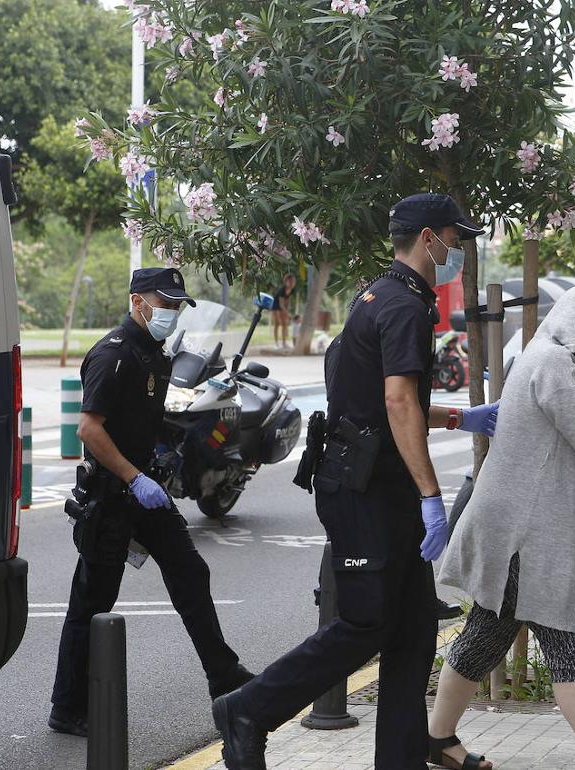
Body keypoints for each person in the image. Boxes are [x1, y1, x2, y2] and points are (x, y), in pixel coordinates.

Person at [212, 194, 498, 770]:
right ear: (428, 239)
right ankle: (249, 709)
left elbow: (389, 399)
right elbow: (395, 401)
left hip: (376, 483)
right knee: (366, 623)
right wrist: (431, 496)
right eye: (455, 238)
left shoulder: (383, 296)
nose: (459, 250)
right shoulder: (403, 309)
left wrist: (460, 417)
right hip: (363, 489)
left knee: (413, 635)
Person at [430, 282, 575, 770]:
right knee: (567, 637)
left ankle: (435, 739)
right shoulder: (554, 363)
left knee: (482, 639)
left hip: (517, 531)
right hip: (528, 537)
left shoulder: (541, 355)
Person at [50, 267, 253, 736]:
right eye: (164, 304)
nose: (171, 312)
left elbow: (147, 419)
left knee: (190, 573)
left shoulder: (154, 356)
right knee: (93, 602)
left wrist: (201, 405)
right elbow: (89, 429)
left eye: (177, 305)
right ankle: (68, 707)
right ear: (137, 301)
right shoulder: (113, 355)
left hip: (146, 493)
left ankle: (223, 675)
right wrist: (134, 476)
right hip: (112, 495)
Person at [271, 272, 298, 349]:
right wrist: (287, 313)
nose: (291, 283)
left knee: (284, 325)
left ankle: (284, 343)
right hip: (275, 306)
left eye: (293, 281)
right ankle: (276, 343)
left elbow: (287, 301)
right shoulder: (282, 290)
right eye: (290, 281)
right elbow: (281, 304)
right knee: (277, 324)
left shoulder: (291, 290)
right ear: (286, 281)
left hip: (282, 307)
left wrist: (287, 310)